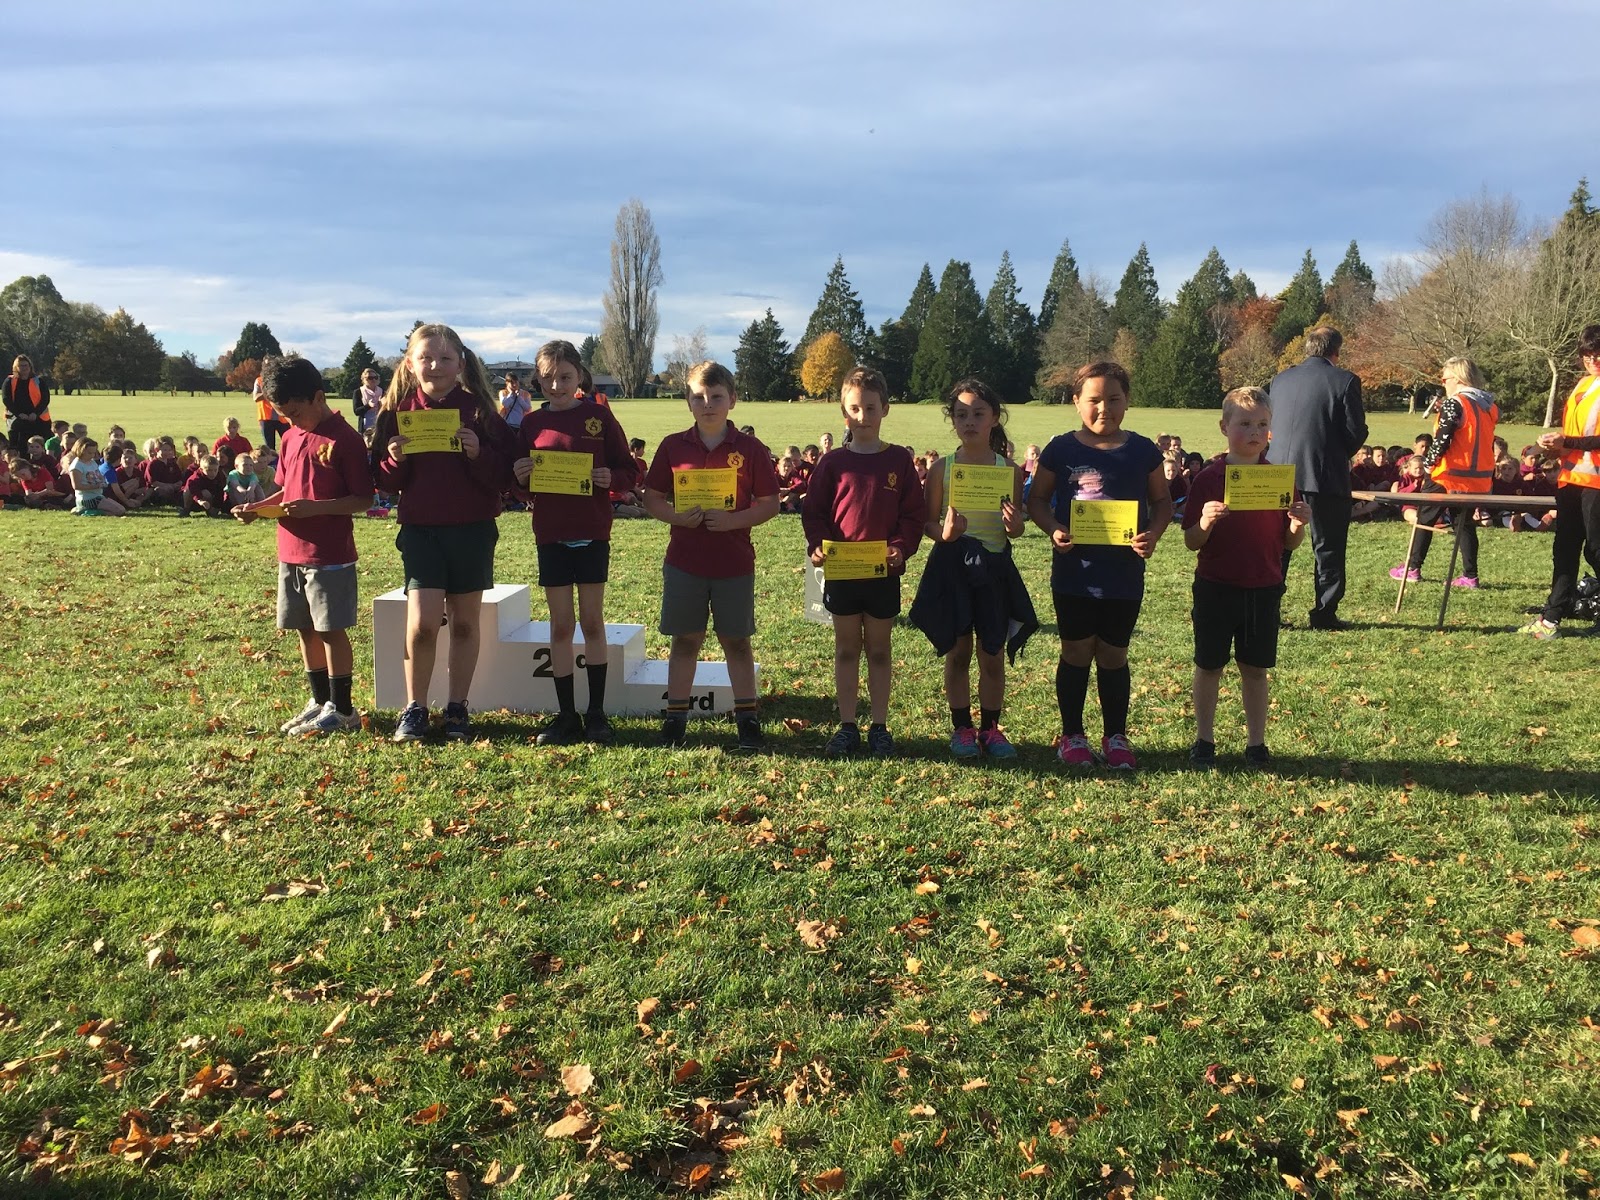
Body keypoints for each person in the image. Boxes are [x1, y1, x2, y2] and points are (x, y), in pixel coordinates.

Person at [1027, 361, 1172, 770]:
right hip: (1075, 574)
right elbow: (1036, 500)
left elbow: (1162, 501)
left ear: (1127, 402)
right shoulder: (1061, 449)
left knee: (1113, 654)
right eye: (1094, 399)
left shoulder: (1142, 450)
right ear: (1076, 402)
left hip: (1123, 575)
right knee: (1075, 651)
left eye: (1113, 398)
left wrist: (1153, 534)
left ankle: (1115, 737)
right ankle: (1072, 735)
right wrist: (1054, 528)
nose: (1103, 408)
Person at [372, 323, 514, 740]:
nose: (435, 365)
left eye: (445, 358)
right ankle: (414, 708)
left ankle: (456, 708)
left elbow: (505, 477)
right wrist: (395, 460)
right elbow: (384, 482)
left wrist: (478, 453)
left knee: (466, 624)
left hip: (472, 530)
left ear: (461, 363)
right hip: (422, 531)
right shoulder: (396, 413)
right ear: (410, 364)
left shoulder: (480, 412)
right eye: (426, 358)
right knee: (422, 624)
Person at [641, 360, 780, 751]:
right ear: (687, 401)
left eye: (716, 396)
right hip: (685, 561)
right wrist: (676, 517)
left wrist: (734, 520)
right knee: (685, 641)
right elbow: (652, 497)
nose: (707, 404)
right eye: (699, 397)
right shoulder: (673, 446)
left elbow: (770, 503)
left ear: (732, 399)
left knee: (736, 642)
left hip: (734, 563)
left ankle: (747, 719)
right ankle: (675, 720)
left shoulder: (750, 449)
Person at [236, 355, 376, 736]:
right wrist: (257, 509)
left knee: (330, 629)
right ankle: (319, 700)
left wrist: (316, 508)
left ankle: (343, 709)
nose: (291, 421)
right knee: (304, 628)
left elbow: (363, 499)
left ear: (318, 397)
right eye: (283, 415)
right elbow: (285, 490)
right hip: (291, 550)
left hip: (328, 554)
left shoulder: (344, 439)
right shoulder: (291, 436)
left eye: (295, 413)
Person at [512, 340, 636, 746]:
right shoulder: (531, 423)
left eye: (565, 377)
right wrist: (520, 475)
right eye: (548, 378)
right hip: (551, 534)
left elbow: (628, 469)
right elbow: (520, 485)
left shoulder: (598, 416)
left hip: (593, 532)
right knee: (561, 626)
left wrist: (611, 479)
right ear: (537, 379)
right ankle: (566, 715)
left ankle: (596, 713)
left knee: (593, 623)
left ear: (580, 376)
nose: (557, 385)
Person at [1182, 388, 1312, 768]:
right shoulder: (1209, 479)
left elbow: (1290, 543)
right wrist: (1205, 521)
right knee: (1209, 665)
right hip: (1216, 586)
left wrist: (1297, 523)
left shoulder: (1279, 479)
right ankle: (1204, 740)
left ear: (1270, 429)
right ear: (1224, 427)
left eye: (1261, 424)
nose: (1254, 432)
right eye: (1244, 423)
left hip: (1263, 587)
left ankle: (1256, 743)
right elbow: (1191, 541)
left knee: (1255, 669)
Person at [802, 367, 925, 757]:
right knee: (845, 649)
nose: (863, 416)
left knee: (879, 650)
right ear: (844, 413)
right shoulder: (832, 463)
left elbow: (913, 515)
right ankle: (847, 725)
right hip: (842, 572)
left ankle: (880, 726)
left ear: (885, 409)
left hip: (882, 573)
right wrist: (817, 546)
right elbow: (814, 513)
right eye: (854, 409)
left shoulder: (899, 461)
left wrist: (901, 547)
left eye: (871, 408)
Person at [908, 378, 1033, 761]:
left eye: (978, 414)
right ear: (953, 420)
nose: (970, 422)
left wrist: (1015, 526)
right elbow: (928, 524)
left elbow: (1015, 527)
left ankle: (991, 729)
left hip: (994, 571)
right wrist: (945, 534)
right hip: (953, 570)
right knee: (958, 652)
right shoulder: (942, 468)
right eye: (961, 415)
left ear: (994, 418)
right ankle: (962, 727)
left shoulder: (1008, 470)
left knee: (991, 654)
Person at [1266, 327, 1368, 630]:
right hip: (1324, 474)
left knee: (1276, 546)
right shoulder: (1345, 380)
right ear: (1336, 351)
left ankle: (1269, 610)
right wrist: (1340, 453)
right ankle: (1324, 614)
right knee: (1328, 548)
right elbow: (1355, 431)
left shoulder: (1280, 380)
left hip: (1278, 473)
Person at [1388, 356, 1498, 588]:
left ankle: (1412, 568)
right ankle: (1470, 576)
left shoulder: (1455, 403)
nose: (1443, 383)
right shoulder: (1487, 405)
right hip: (1477, 478)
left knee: (1424, 519)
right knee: (1464, 524)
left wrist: (1429, 464)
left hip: (1446, 475)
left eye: (1445, 378)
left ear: (1458, 378)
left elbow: (1442, 440)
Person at [1522, 324, 1600, 639]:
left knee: (1595, 550)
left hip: (1596, 484)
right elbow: (1574, 435)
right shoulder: (1583, 385)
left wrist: (1566, 441)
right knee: (1564, 549)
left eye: (1598, 354)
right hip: (1571, 479)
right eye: (1587, 355)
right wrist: (1548, 447)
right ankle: (1551, 618)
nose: (1593, 360)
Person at [65, 438, 127, 516]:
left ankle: (85, 509)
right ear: (81, 450)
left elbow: (98, 475)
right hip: (87, 498)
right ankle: (86, 511)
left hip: (98, 495)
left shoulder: (92, 462)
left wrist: (103, 481)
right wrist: (96, 486)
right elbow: (77, 486)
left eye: (94, 453)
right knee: (119, 511)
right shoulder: (77, 466)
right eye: (89, 453)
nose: (92, 455)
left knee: (121, 509)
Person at [3, 356, 51, 447]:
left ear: (30, 366)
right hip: (17, 419)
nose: (24, 368)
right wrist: (19, 414)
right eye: (21, 366)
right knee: (17, 446)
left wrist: (35, 413)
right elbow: (6, 399)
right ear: (16, 367)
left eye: (26, 365)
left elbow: (45, 399)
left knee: (41, 445)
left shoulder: (39, 381)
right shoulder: (9, 381)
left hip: (39, 419)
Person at [142, 439, 186, 506]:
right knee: (161, 491)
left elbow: (179, 478)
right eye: (165, 450)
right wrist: (167, 486)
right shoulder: (153, 464)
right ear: (157, 450)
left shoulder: (172, 463)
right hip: (160, 488)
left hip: (173, 487)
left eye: (169, 450)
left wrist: (177, 485)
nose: (167, 452)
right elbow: (153, 482)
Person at [254, 375, 289, 451]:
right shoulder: (259, 381)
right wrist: (270, 393)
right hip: (266, 418)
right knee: (269, 448)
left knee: (289, 443)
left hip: (283, 417)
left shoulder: (282, 379)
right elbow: (256, 398)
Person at [351, 367, 384, 433]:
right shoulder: (358, 392)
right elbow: (356, 411)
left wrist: (382, 404)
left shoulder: (382, 391)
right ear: (364, 379)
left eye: (375, 377)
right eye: (370, 378)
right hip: (365, 428)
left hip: (381, 426)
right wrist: (368, 405)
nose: (373, 380)